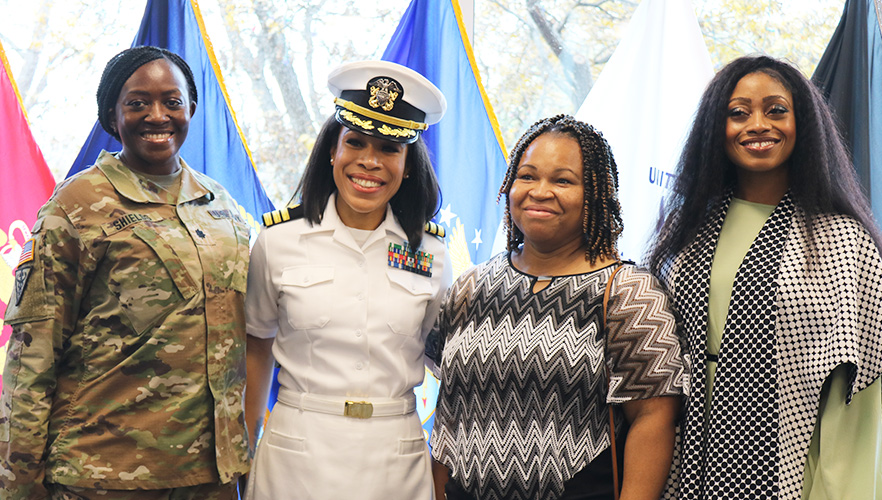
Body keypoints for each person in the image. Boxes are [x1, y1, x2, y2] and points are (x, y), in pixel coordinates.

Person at [0, 46, 251, 499]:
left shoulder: (222, 207)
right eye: (137, 103)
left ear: (191, 109)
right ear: (112, 118)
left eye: (172, 102)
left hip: (210, 476)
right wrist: (19, 484)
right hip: (103, 474)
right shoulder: (75, 206)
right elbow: (32, 357)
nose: (157, 116)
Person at [647, 55, 882, 500]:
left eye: (776, 110)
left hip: (793, 468)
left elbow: (863, 387)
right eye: (738, 113)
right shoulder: (686, 231)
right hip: (686, 459)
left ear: (803, 123)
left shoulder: (843, 239)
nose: (757, 125)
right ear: (715, 128)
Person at [430, 115, 686, 500]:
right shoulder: (470, 286)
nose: (540, 191)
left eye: (562, 181)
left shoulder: (629, 292)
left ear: (596, 195)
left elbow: (653, 419)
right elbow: (449, 411)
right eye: (527, 176)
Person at [243, 60, 449, 500]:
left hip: (396, 457)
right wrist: (242, 454)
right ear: (332, 151)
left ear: (408, 165)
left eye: (390, 148)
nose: (369, 162)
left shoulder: (432, 253)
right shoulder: (278, 241)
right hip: (297, 454)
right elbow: (256, 348)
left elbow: (445, 362)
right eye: (355, 142)